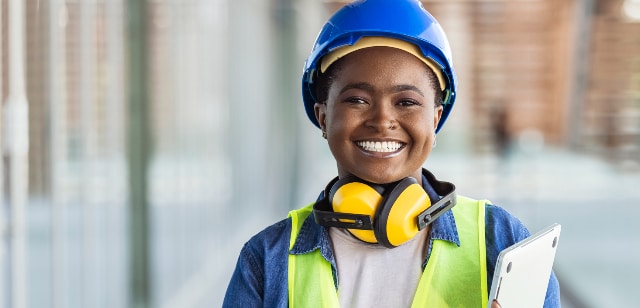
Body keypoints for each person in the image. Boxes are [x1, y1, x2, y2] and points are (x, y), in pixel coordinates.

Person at [222, 0, 560, 307]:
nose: (382, 120)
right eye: (357, 100)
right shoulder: (267, 259)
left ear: (435, 118)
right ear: (323, 117)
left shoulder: (501, 241)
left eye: (407, 102)